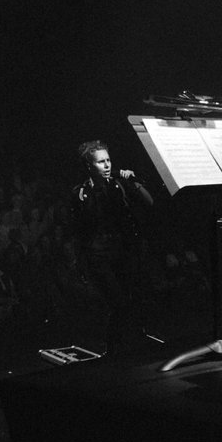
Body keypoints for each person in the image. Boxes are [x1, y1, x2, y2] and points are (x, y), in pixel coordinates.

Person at [68, 140, 154, 353]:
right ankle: (112, 347)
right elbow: (80, 228)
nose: (107, 165)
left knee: (129, 299)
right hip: (97, 257)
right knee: (117, 302)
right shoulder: (81, 192)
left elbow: (149, 202)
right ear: (89, 166)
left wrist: (132, 181)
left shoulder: (118, 184)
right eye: (100, 162)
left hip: (121, 252)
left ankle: (122, 343)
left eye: (108, 160)